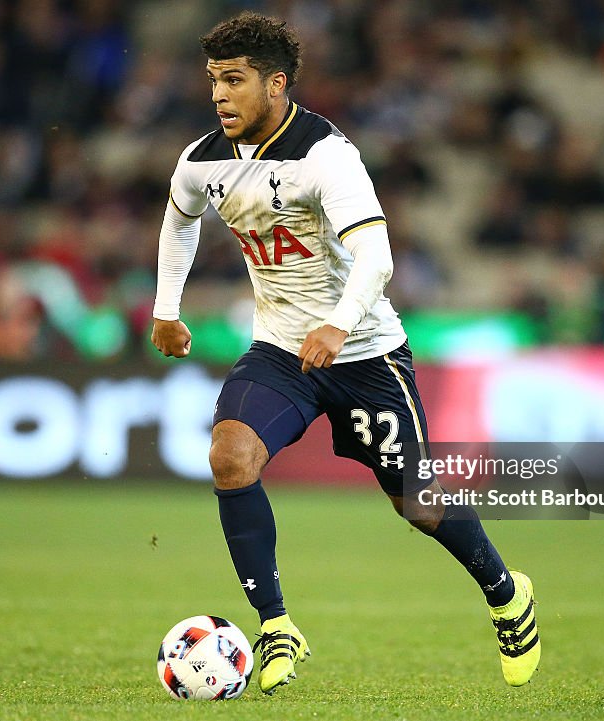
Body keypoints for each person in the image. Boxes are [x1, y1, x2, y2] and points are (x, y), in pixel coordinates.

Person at [151, 11, 539, 694]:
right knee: (230, 456)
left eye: (234, 81)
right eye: (214, 80)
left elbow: (377, 256)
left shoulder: (326, 155)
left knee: (418, 504)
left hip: (365, 354)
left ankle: (508, 594)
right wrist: (166, 307)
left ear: (275, 85)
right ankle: (276, 625)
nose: (219, 95)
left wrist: (337, 323)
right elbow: (179, 218)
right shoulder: (203, 159)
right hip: (280, 351)